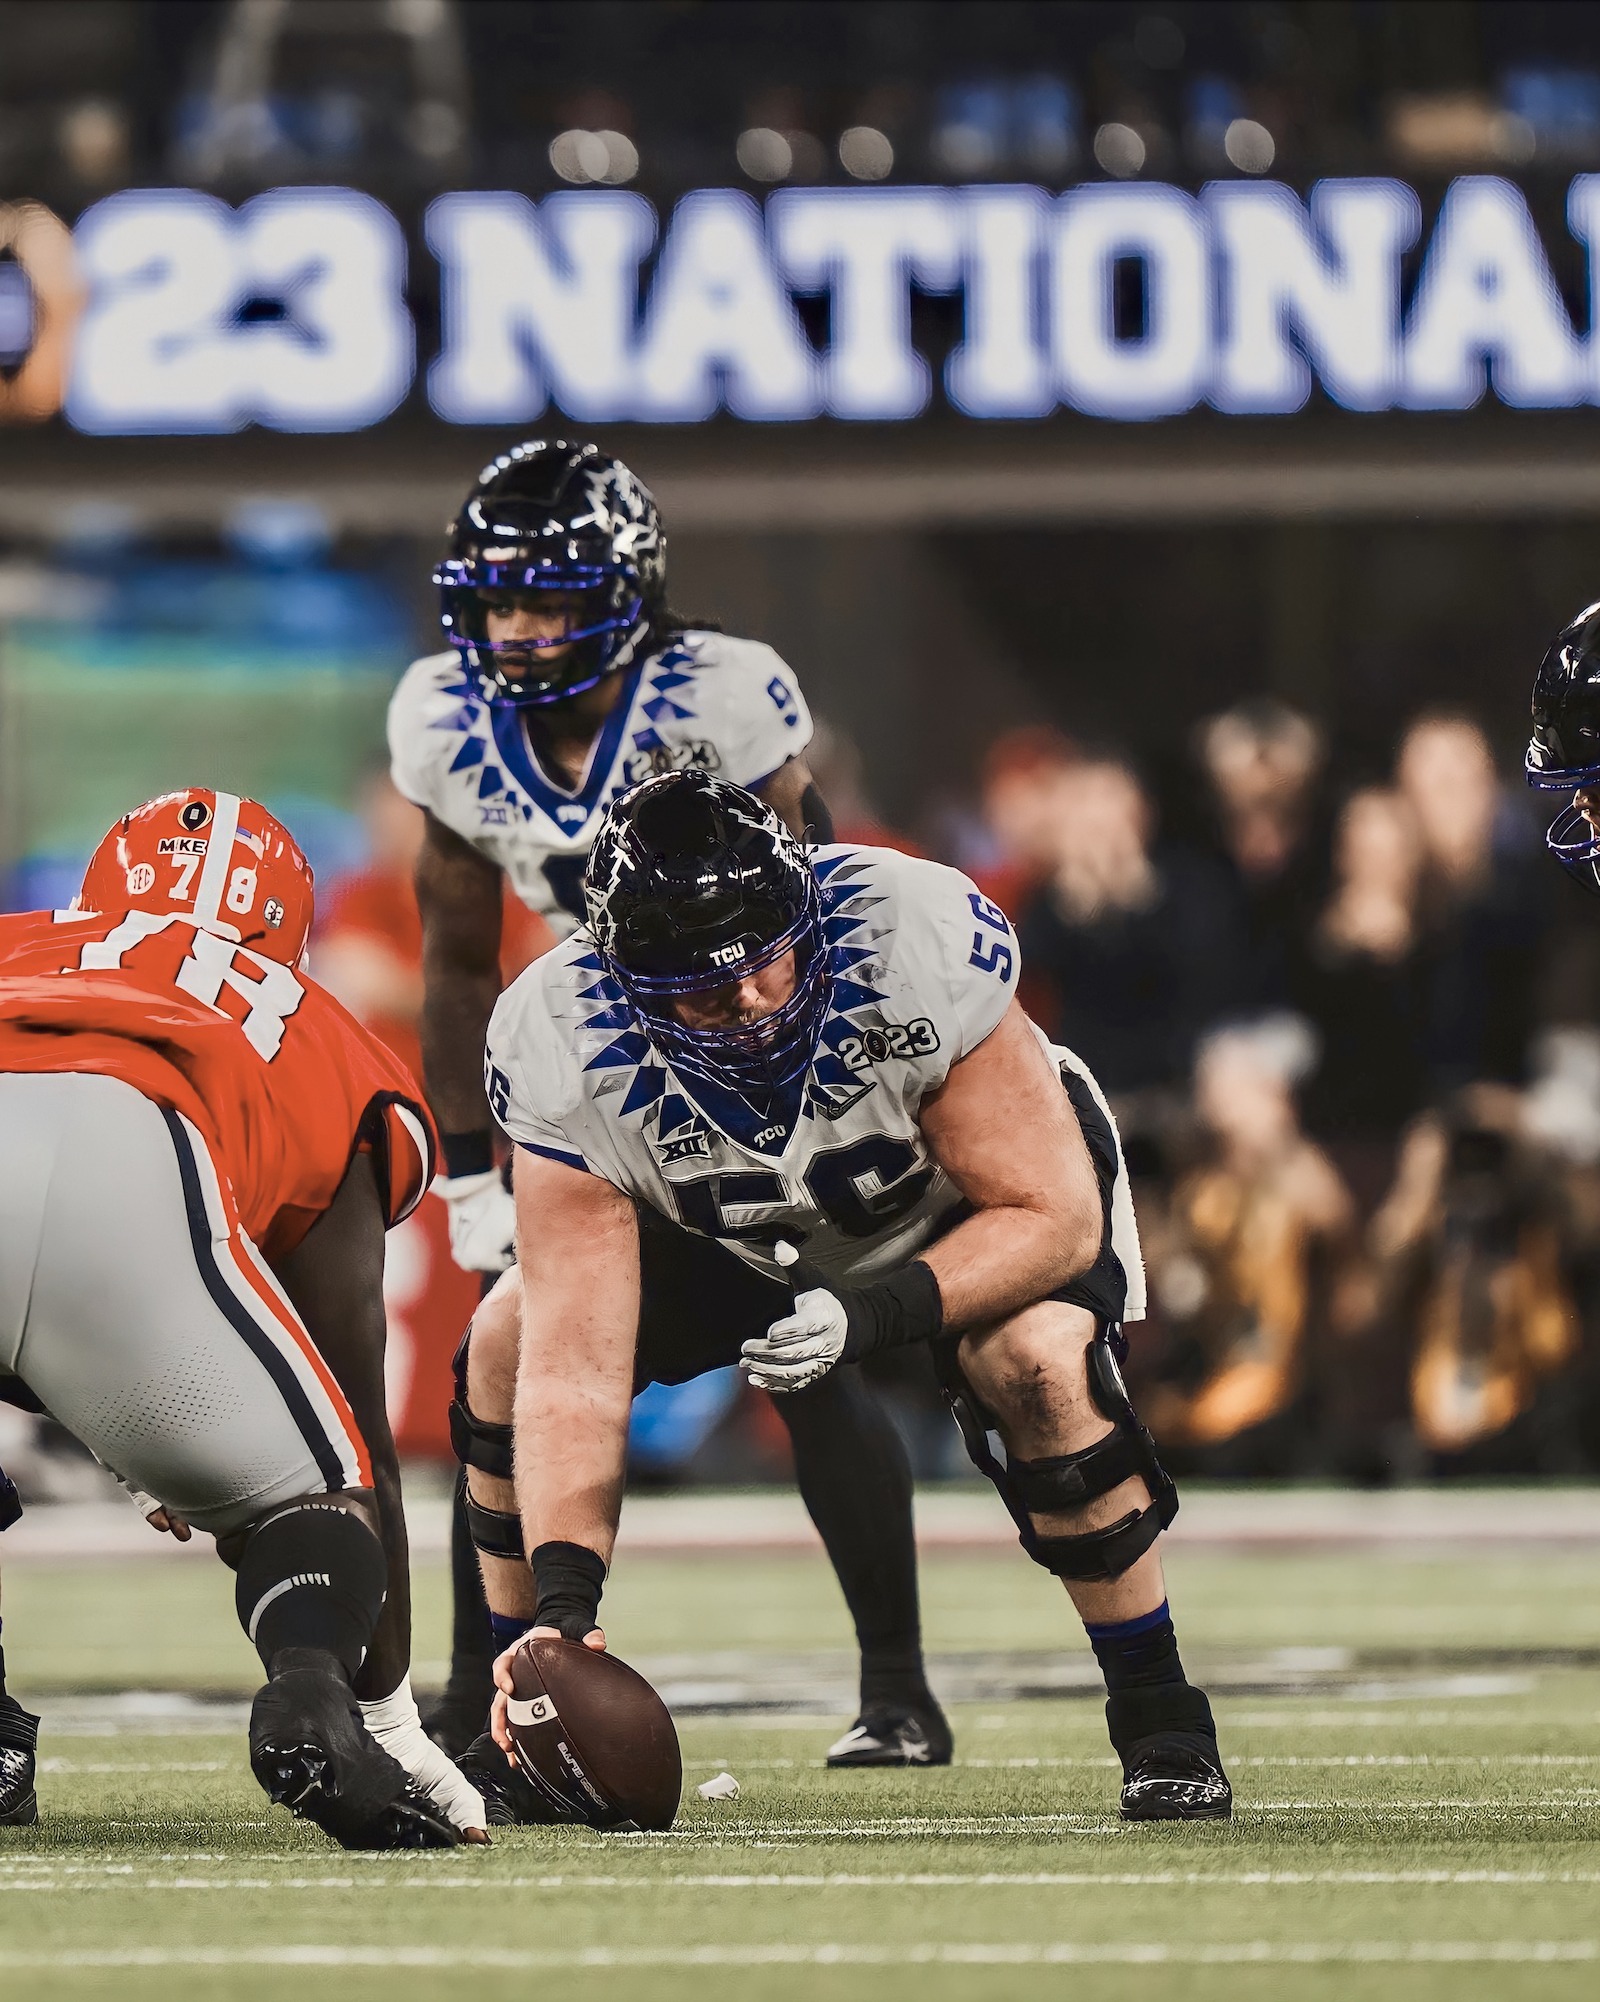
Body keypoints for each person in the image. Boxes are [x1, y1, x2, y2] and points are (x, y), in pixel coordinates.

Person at [480, 771, 1231, 1823]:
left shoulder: (911, 930)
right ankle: (516, 1711)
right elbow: (573, 1372)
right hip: (744, 1230)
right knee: (506, 1339)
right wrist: (567, 1607)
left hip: (961, 1203)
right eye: (704, 990)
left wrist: (871, 1314)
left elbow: (1050, 1215)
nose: (750, 1001)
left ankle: (1160, 1716)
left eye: (765, 961)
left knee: (1036, 1366)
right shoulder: (559, 1038)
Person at [387, 438, 938, 1772]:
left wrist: (829, 1088)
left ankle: (897, 1689)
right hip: (599, 1079)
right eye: (498, 601)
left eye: (548, 600)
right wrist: (468, 1167)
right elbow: (456, 960)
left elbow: (825, 905)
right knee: (504, 1362)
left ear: (624, 593)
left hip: (759, 1056)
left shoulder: (721, 696)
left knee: (806, 1341)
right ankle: (473, 1698)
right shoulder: (447, 722)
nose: (517, 631)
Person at [0, 788, 486, 1848]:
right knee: (318, 1494)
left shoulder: (20, 938)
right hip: (122, 1140)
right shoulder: (308, 1019)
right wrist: (391, 1715)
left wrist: (120, 1432)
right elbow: (356, 1427)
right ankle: (313, 1705)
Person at [1015, 754, 1243, 1094]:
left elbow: (1206, 970)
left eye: (1109, 798)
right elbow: (1031, 969)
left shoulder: (1184, 884)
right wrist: (1077, 901)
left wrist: (1137, 893)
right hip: (1084, 1072)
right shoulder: (1046, 901)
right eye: (1083, 803)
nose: (1098, 819)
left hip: (1181, 1066)